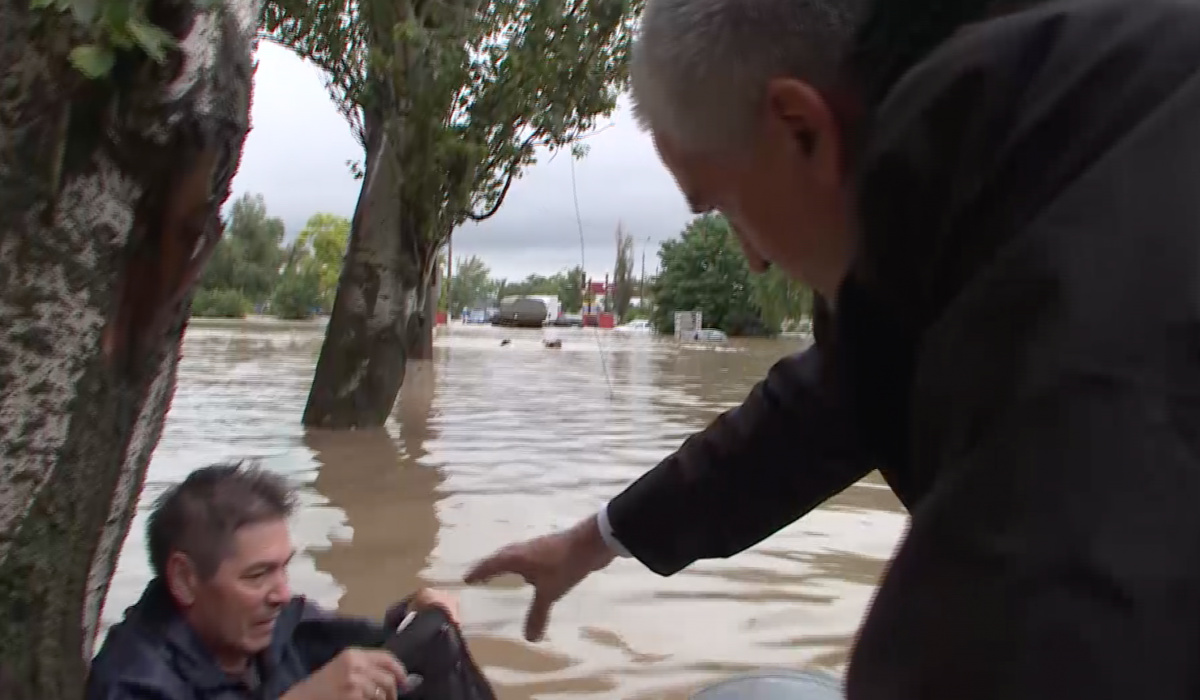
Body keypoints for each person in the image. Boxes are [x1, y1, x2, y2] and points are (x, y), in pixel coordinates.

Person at [466, 0, 1200, 698]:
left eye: (719, 205)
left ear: (801, 128)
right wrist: (590, 542)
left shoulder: (1074, 386)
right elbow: (816, 414)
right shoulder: (1057, 139)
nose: (750, 259)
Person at [88, 462, 461, 700]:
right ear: (185, 580)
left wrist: (412, 613)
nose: (283, 594)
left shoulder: (281, 623)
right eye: (257, 575)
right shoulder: (133, 682)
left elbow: (368, 643)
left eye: (284, 567)